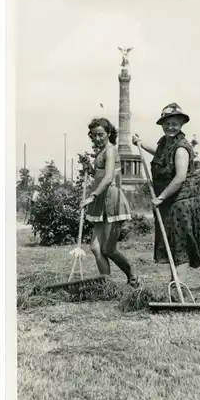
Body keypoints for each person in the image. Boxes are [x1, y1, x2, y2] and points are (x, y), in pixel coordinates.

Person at [132, 103, 200, 284]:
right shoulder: (165, 143)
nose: (171, 127)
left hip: (181, 202)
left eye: (175, 123)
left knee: (181, 246)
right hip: (168, 203)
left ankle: (179, 287)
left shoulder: (181, 147)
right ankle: (175, 286)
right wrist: (140, 144)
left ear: (181, 124)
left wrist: (161, 197)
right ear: (162, 124)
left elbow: (179, 178)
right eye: (167, 123)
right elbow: (159, 153)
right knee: (172, 244)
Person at [80, 117, 139, 287]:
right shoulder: (100, 152)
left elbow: (108, 177)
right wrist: (90, 170)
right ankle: (107, 285)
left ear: (109, 133)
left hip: (112, 200)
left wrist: (92, 196)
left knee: (108, 249)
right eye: (94, 135)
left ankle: (132, 274)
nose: (97, 138)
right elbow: (100, 175)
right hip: (101, 202)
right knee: (95, 248)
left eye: (100, 134)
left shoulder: (111, 150)